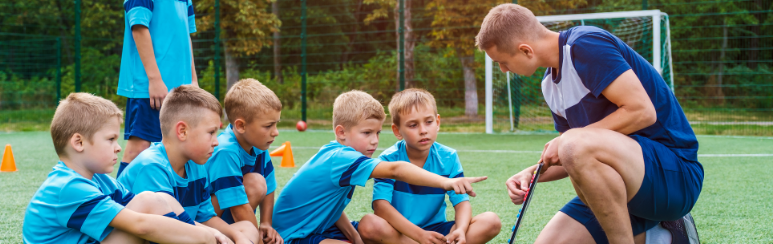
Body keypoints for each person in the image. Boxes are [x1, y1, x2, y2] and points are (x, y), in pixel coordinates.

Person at [476, 4, 703, 244]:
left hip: (674, 177)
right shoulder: (549, 86)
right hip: (624, 190)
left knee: (572, 142)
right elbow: (574, 155)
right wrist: (533, 173)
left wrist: (567, 141)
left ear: (525, 50)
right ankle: (663, 237)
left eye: (502, 62)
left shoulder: (586, 45)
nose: (502, 70)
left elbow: (642, 112)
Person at [271, 90, 488, 244]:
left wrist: (356, 238)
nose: (374, 141)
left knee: (490, 221)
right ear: (341, 133)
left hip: (320, 228)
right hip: (293, 236)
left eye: (377, 133)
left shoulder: (342, 157)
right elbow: (395, 170)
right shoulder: (342, 158)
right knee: (370, 224)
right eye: (367, 133)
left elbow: (331, 208)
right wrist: (447, 182)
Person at [23, 92, 226, 244]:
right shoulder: (67, 187)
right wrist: (205, 237)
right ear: (79, 142)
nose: (119, 147)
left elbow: (155, 205)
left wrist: (209, 233)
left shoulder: (99, 180)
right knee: (148, 205)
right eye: (110, 139)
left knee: (157, 198)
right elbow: (141, 224)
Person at [118, 85, 261, 244]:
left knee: (246, 228)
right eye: (211, 133)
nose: (216, 142)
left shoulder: (197, 166)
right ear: (182, 131)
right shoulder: (151, 166)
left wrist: (237, 236)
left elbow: (206, 218)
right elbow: (167, 228)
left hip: (185, 232)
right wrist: (211, 234)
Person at [357, 88, 502, 244]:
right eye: (413, 125)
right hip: (401, 234)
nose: (423, 130)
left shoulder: (449, 157)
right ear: (397, 131)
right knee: (369, 224)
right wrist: (419, 236)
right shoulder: (388, 159)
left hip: (438, 232)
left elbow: (461, 202)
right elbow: (380, 207)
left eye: (429, 122)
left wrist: (460, 229)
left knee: (491, 221)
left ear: (437, 122)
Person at [117, 0, 200, 177]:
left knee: (177, 150)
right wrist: (154, 79)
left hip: (181, 89)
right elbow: (139, 28)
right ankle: (119, 202)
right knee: (140, 147)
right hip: (150, 87)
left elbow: (186, 36)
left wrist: (193, 80)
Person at [206, 79, 284, 244]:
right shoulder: (226, 151)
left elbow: (269, 185)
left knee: (258, 182)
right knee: (254, 183)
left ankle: (240, 235)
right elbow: (238, 208)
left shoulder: (258, 145)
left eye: (276, 124)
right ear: (241, 126)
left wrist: (266, 223)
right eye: (268, 126)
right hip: (206, 220)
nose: (275, 132)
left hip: (230, 214)